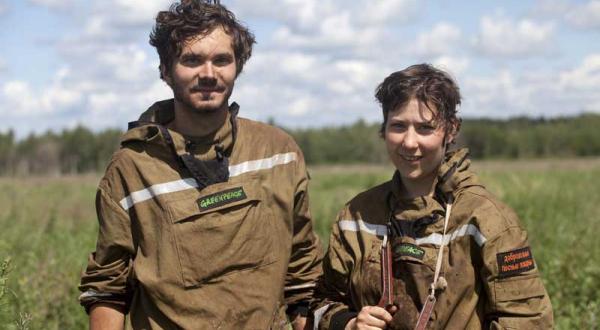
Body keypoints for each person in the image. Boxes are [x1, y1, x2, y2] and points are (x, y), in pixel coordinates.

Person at [78, 1, 322, 329]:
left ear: (238, 66)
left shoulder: (278, 154)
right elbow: (108, 288)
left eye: (221, 60)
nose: (208, 74)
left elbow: (302, 275)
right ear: (166, 70)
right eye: (191, 60)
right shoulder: (133, 167)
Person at [310, 64, 553, 329]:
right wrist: (349, 324)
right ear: (384, 130)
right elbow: (321, 302)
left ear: (451, 129)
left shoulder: (487, 219)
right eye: (398, 126)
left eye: (425, 128)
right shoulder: (357, 216)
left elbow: (527, 319)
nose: (409, 142)